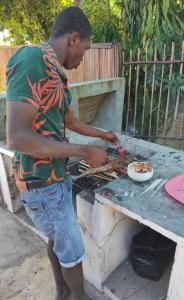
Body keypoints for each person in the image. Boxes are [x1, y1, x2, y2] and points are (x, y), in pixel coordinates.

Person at [6, 6, 118, 300]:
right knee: (72, 253)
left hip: (57, 178)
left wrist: (102, 135)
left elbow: (71, 122)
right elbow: (16, 136)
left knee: (57, 241)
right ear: (73, 38)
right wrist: (84, 150)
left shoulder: (58, 77)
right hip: (41, 184)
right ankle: (77, 296)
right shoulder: (33, 60)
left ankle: (61, 293)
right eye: (85, 49)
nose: (83, 58)